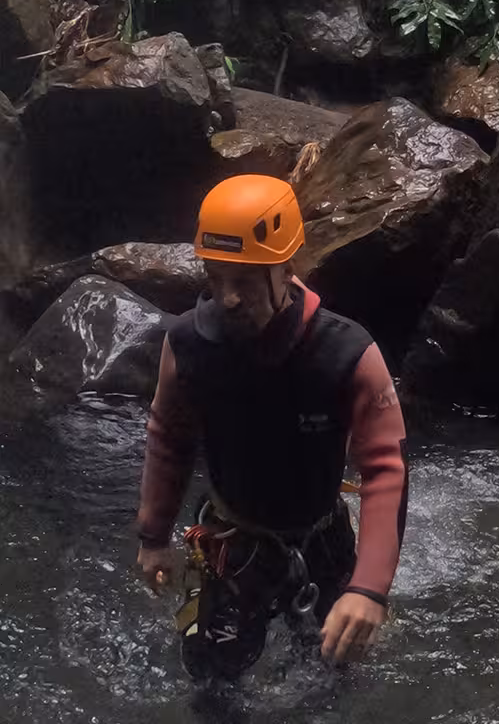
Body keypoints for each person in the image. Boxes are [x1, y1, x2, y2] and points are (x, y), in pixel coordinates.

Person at [135, 174, 409, 680]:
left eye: (243, 279)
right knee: (213, 681)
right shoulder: (188, 345)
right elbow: (169, 437)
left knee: (341, 674)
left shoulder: (347, 354)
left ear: (286, 267)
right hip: (232, 541)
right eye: (216, 278)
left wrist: (369, 588)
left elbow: (385, 468)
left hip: (322, 539)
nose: (229, 298)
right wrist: (154, 536)